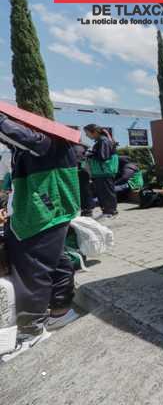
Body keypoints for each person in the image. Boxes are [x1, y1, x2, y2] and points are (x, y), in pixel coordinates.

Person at [0, 113, 79, 361]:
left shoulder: (45, 140)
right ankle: (60, 312)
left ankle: (32, 332)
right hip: (49, 212)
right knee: (57, 261)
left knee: (30, 270)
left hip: (42, 215)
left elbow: (22, 137)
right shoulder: (50, 141)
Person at [83, 124, 118, 219]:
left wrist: (89, 154)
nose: (86, 135)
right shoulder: (100, 141)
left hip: (104, 171)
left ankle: (111, 212)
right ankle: (107, 211)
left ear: (94, 132)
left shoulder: (103, 141)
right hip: (101, 172)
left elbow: (103, 157)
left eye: (87, 133)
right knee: (103, 192)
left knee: (106, 192)